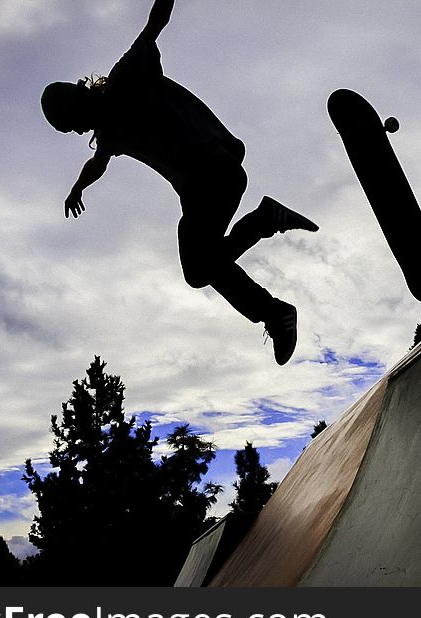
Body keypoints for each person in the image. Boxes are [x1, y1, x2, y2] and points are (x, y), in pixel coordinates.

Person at [40, 0, 317, 365]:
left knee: (200, 266)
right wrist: (78, 187)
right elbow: (97, 163)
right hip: (203, 188)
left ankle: (272, 288)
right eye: (68, 131)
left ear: (76, 101)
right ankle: (269, 251)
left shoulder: (127, 76)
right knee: (201, 269)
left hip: (214, 170)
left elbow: (156, 21)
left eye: (71, 123)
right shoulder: (109, 133)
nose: (77, 131)